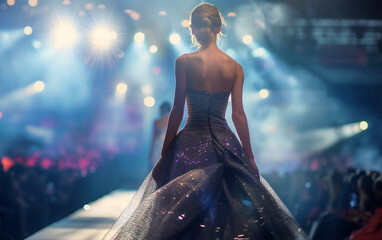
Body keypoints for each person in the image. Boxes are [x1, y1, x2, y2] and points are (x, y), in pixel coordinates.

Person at [103, 3, 309, 239]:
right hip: (226, 144)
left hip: (190, 143)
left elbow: (177, 111)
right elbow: (238, 115)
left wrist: (166, 151)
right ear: (219, 28)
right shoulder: (235, 67)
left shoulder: (185, 62)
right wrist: (249, 156)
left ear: (192, 29)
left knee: (176, 213)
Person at [148, 102, 171, 171]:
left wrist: (151, 151)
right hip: (168, 143)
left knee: (156, 166)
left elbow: (154, 136)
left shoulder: (157, 121)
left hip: (158, 144)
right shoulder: (172, 121)